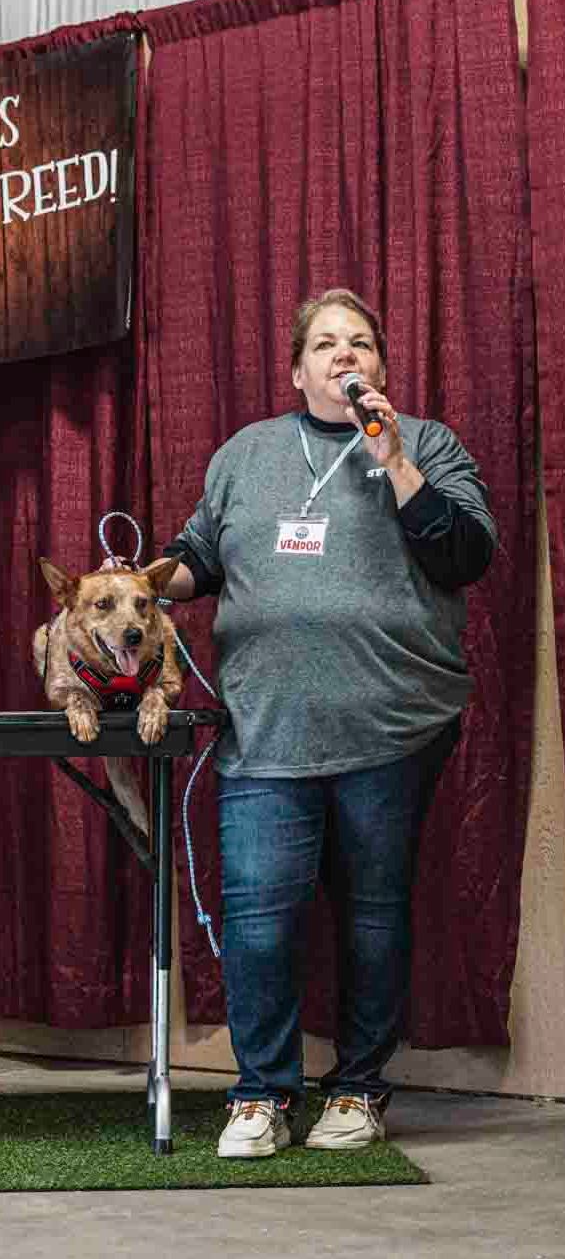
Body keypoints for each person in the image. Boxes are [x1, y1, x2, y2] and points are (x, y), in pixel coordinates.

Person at [163, 288, 495, 1159]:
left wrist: (393, 458)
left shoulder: (425, 442)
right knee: (259, 919)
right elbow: (198, 558)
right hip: (264, 728)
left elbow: (464, 554)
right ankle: (259, 1094)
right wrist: (139, 583)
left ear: (379, 364)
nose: (342, 353)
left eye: (358, 342)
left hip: (390, 726)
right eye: (323, 343)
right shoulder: (244, 454)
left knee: (372, 916)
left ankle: (357, 1087)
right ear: (296, 371)